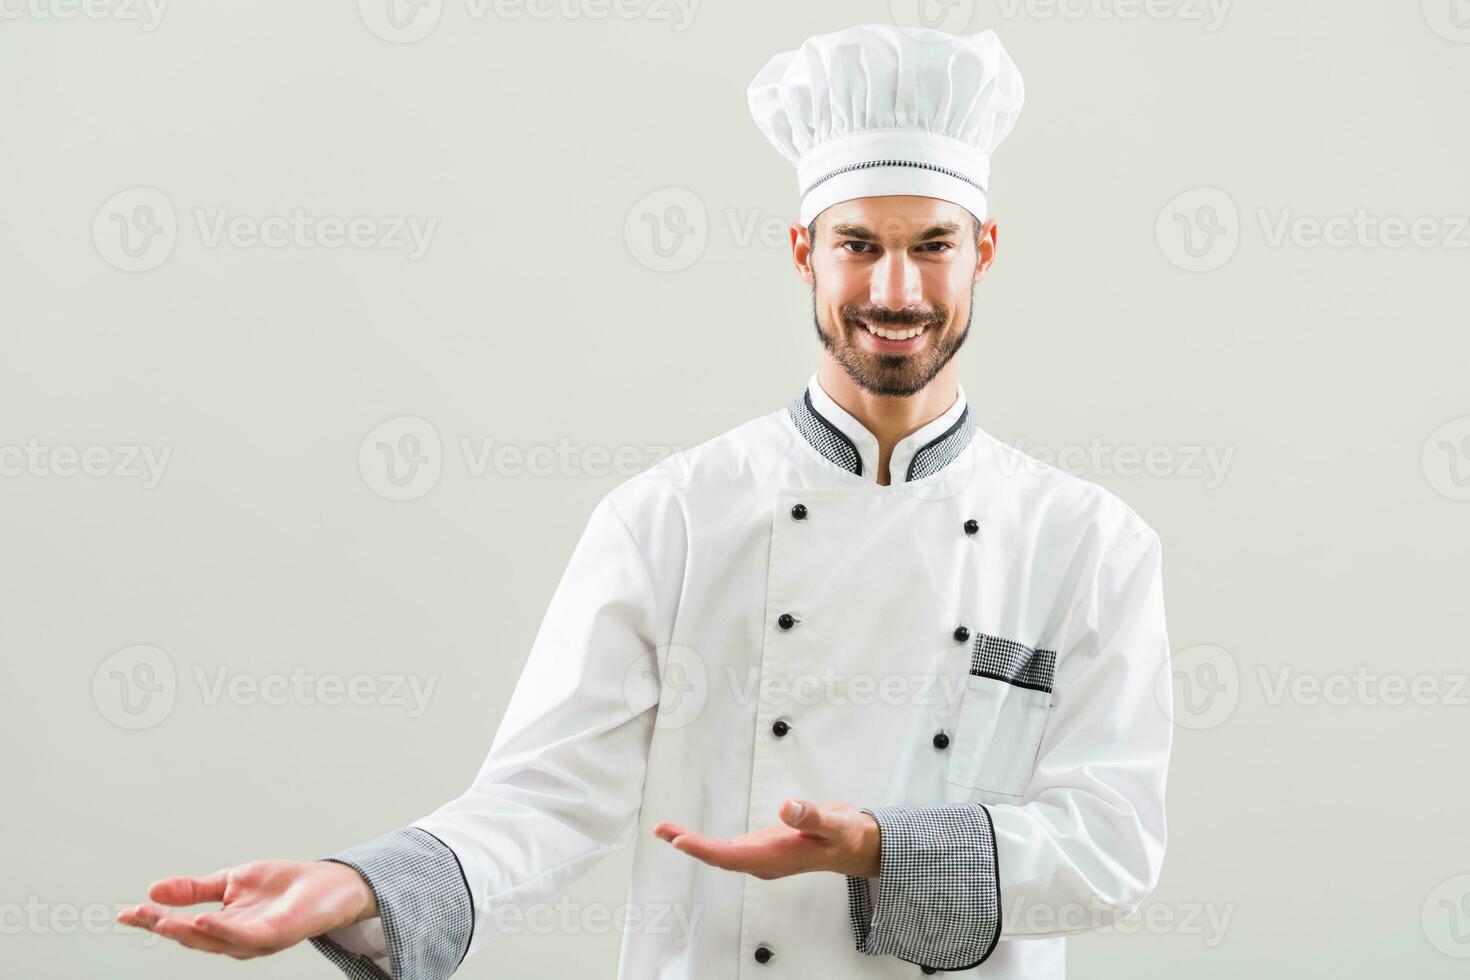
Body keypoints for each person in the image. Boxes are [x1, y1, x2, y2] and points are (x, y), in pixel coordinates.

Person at [118, 22, 1173, 978]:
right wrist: (363, 885)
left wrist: (880, 848)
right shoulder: (670, 516)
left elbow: (1113, 839)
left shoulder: (1088, 542)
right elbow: (547, 792)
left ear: (983, 249)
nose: (895, 290)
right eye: (858, 243)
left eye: (931, 244)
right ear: (803, 250)